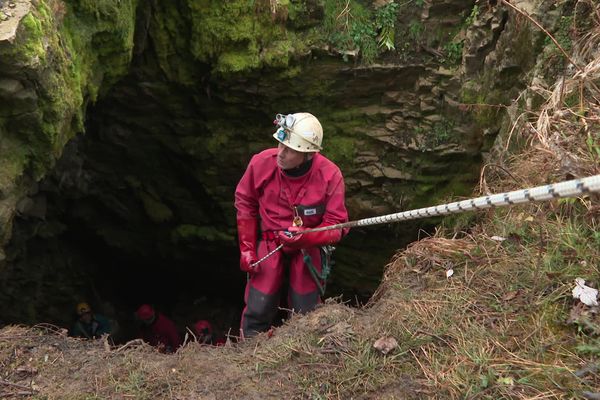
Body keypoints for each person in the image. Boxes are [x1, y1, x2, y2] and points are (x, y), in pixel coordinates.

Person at [235, 112, 349, 338]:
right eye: (280, 144)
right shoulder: (262, 163)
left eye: (290, 150)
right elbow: (245, 201)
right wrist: (247, 248)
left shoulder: (329, 175)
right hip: (270, 243)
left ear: (308, 154)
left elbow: (337, 225)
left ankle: (302, 352)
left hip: (307, 246)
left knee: (306, 311)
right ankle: (248, 350)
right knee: (259, 304)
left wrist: (307, 237)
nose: (281, 153)